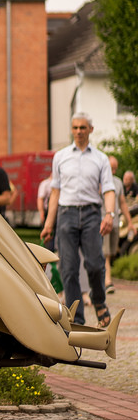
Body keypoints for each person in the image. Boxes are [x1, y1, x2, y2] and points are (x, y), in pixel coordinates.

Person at [40, 112, 116, 327]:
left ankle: (99, 302)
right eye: (75, 128)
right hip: (66, 215)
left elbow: (109, 190)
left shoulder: (100, 159)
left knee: (95, 264)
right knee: (69, 268)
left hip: (92, 214)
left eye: (83, 128)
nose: (79, 132)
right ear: (71, 130)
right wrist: (48, 224)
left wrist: (109, 214)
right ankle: (77, 318)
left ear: (90, 130)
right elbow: (55, 192)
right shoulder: (61, 157)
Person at [104, 155, 135, 293]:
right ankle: (107, 281)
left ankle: (103, 279)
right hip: (103, 223)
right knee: (105, 254)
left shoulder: (117, 182)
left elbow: (122, 203)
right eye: (111, 168)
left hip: (115, 223)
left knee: (111, 253)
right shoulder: (101, 181)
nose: (114, 171)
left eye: (115, 169)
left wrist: (130, 222)